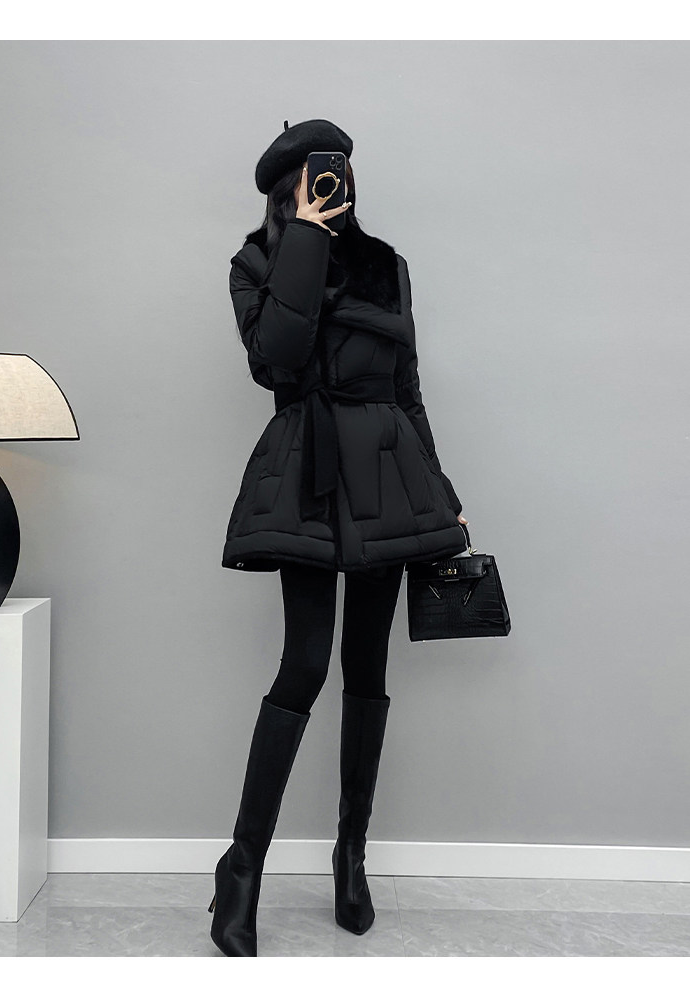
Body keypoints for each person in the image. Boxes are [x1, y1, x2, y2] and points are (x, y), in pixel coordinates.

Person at [209, 118, 469, 957]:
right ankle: (241, 869)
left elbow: (408, 386)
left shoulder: (386, 265)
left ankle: (350, 856)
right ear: (289, 188)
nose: (337, 182)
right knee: (305, 663)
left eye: (345, 170)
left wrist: (443, 492)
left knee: (368, 666)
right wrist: (307, 241)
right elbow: (277, 361)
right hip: (310, 470)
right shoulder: (256, 263)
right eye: (321, 172)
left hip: (389, 471)